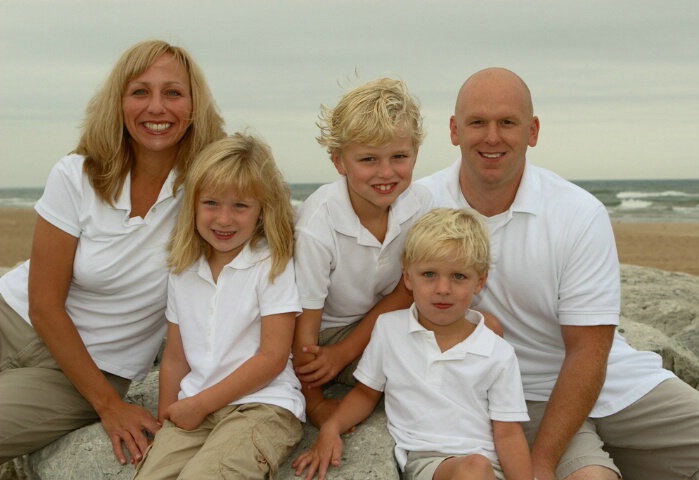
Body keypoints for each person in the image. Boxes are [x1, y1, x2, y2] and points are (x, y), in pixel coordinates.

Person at [417, 67, 699, 480]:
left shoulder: (577, 212)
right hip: (521, 397)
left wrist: (540, 467)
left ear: (533, 130)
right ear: (454, 130)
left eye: (507, 122)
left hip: (613, 381)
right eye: (477, 122)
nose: (492, 137)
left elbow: (588, 350)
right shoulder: (420, 206)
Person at [0, 39, 225, 466]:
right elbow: (44, 304)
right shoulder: (77, 174)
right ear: (119, 103)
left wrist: (109, 404)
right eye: (140, 92)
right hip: (12, 317)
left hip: (89, 372)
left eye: (173, 93)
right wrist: (111, 409)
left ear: (195, 106)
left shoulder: (210, 191)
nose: (156, 107)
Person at [293, 208, 532, 480]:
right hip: (429, 460)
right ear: (407, 277)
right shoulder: (389, 329)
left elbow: (508, 432)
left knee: (478, 467)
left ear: (480, 281)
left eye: (458, 276)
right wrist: (330, 429)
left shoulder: (498, 352)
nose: (443, 288)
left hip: (489, 464)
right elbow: (366, 393)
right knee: (473, 469)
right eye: (429, 274)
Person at [132, 132, 304, 480]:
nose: (224, 220)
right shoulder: (182, 270)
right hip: (196, 406)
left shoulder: (271, 265)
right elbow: (176, 357)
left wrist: (200, 404)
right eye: (211, 203)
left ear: (261, 210)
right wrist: (169, 418)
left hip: (262, 405)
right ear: (193, 205)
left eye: (240, 206)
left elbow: (271, 359)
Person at [291, 77, 435, 428]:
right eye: (368, 159)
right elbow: (303, 323)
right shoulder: (317, 224)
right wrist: (314, 401)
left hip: (382, 322)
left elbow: (408, 288)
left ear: (415, 153)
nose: (386, 173)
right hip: (328, 332)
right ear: (339, 161)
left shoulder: (420, 204)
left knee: (477, 337)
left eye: (399, 157)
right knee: (418, 377)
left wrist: (348, 352)